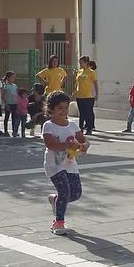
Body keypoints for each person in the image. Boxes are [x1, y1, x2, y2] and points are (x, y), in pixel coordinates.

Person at [43, 91, 90, 235]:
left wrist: (85, 145)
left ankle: (55, 200)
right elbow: (51, 145)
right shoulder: (48, 126)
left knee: (75, 193)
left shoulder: (73, 125)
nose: (64, 111)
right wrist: (69, 145)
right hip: (54, 165)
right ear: (51, 109)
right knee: (65, 191)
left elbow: (83, 140)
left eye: (66, 108)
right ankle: (58, 222)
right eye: (60, 108)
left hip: (70, 164)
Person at [74, 55, 98, 135]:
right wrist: (75, 91)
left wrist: (96, 94)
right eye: (79, 63)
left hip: (88, 96)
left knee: (88, 112)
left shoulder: (91, 72)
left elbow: (95, 83)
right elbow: (77, 83)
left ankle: (89, 128)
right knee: (81, 113)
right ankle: (80, 128)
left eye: (81, 63)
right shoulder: (79, 71)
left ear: (86, 62)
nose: (80, 64)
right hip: (79, 95)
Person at [3, 71, 19, 135]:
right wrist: (6, 104)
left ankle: (14, 131)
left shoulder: (15, 86)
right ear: (8, 78)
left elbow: (16, 94)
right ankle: (5, 130)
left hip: (14, 103)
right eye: (12, 77)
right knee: (7, 117)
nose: (13, 79)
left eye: (14, 77)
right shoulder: (5, 86)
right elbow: (3, 96)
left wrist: (17, 103)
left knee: (14, 118)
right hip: (8, 103)